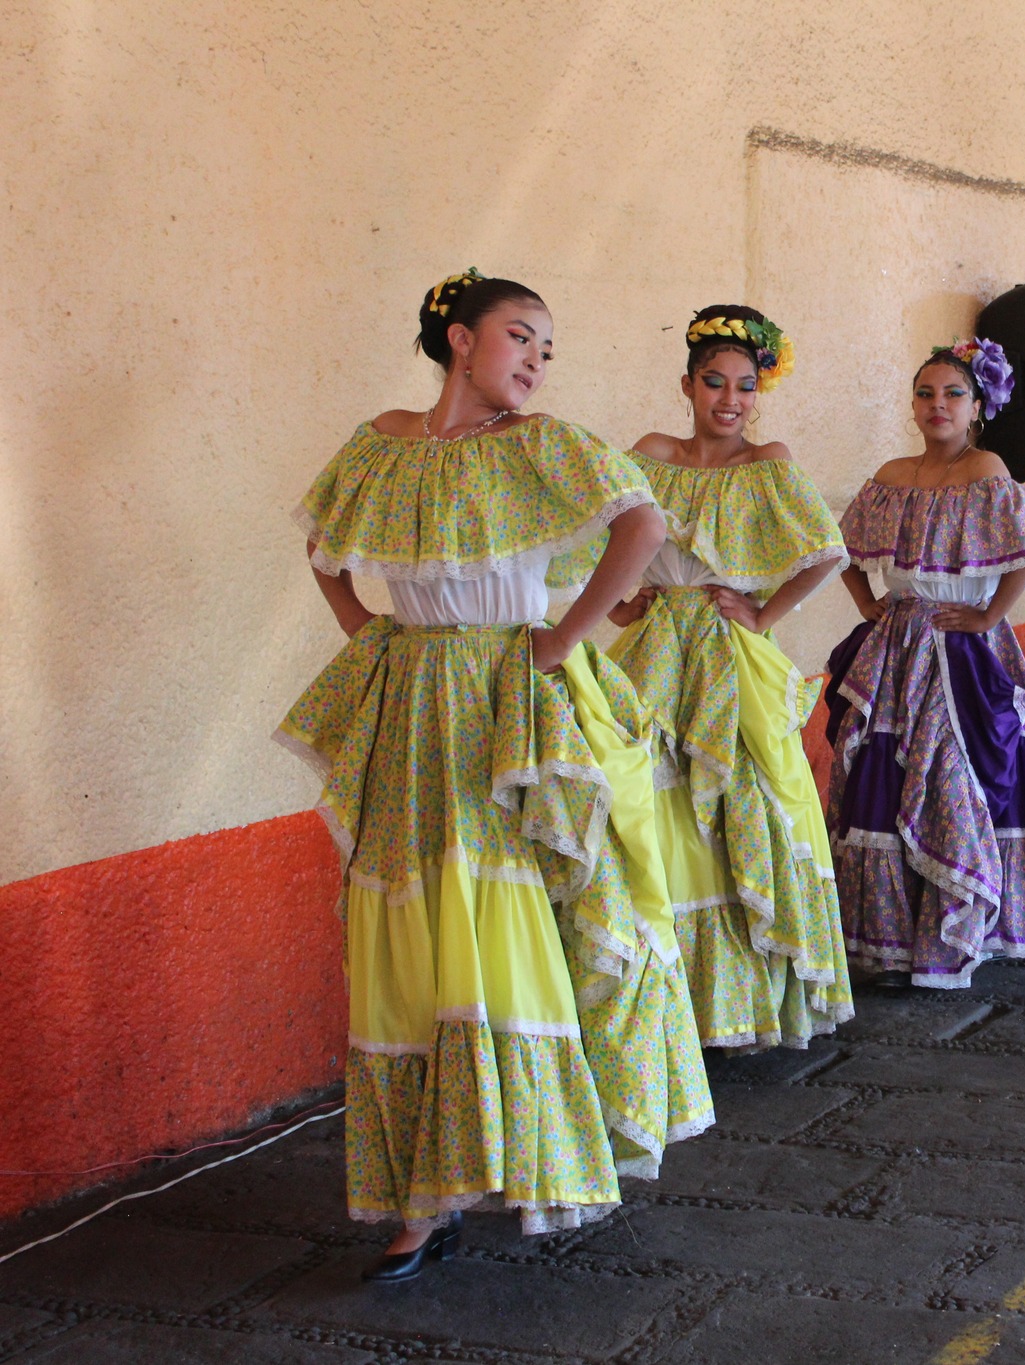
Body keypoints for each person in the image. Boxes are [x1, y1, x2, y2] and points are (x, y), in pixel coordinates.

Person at [277, 271, 708, 1279]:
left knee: (498, 914)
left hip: (504, 704)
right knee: (407, 924)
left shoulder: (541, 444)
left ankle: (522, 1159)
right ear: (459, 339)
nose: (536, 361)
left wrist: (562, 638)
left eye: (547, 348)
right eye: (521, 336)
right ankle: (425, 1189)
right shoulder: (384, 442)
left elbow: (640, 524)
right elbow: (323, 547)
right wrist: (369, 637)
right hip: (411, 700)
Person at [605, 305, 853, 1049]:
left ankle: (747, 1003)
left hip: (728, 656)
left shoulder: (765, 460)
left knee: (748, 802)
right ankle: (668, 1004)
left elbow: (826, 551)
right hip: (654, 651)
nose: (729, 399)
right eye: (714, 381)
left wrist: (761, 610)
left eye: (745, 385)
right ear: (687, 384)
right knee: (651, 802)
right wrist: (622, 603)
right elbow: (599, 535)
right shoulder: (650, 453)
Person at [827, 339, 1025, 985]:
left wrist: (991, 616)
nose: (938, 405)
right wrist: (870, 604)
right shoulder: (890, 474)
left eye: (953, 394)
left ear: (976, 407)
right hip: (899, 644)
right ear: (913, 404)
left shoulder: (985, 467)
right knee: (885, 770)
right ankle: (894, 937)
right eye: (926, 393)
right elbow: (842, 548)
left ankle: (963, 926)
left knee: (956, 774)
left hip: (959, 646)